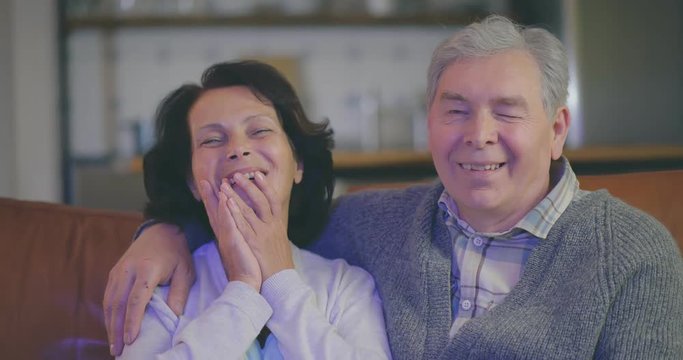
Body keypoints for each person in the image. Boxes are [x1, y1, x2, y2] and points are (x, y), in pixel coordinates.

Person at [105, 15, 683, 359]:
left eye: (507, 112)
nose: (478, 135)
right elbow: (263, 221)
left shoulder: (631, 253)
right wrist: (164, 230)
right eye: (455, 110)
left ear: (557, 129)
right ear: (429, 121)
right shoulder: (369, 225)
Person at [113, 60, 391, 359]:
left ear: (298, 164)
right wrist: (243, 291)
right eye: (213, 139)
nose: (238, 149)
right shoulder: (162, 288)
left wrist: (280, 283)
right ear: (191, 181)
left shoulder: (346, 287)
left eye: (259, 130)